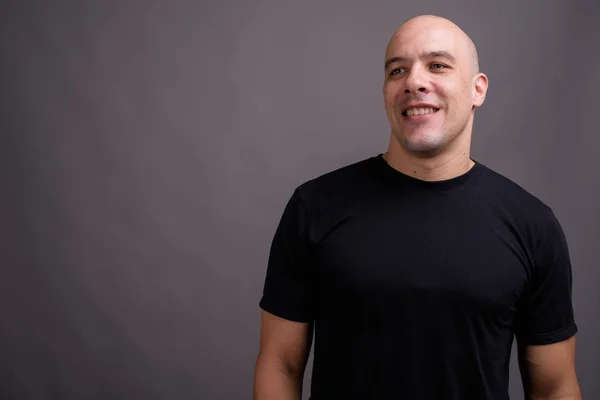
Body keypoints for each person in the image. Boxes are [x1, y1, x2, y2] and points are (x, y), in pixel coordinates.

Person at [253, 14, 581, 400]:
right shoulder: (315, 207)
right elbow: (280, 364)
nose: (414, 82)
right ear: (385, 91)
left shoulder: (532, 225)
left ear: (478, 89)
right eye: (397, 70)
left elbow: (554, 386)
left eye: (437, 65)